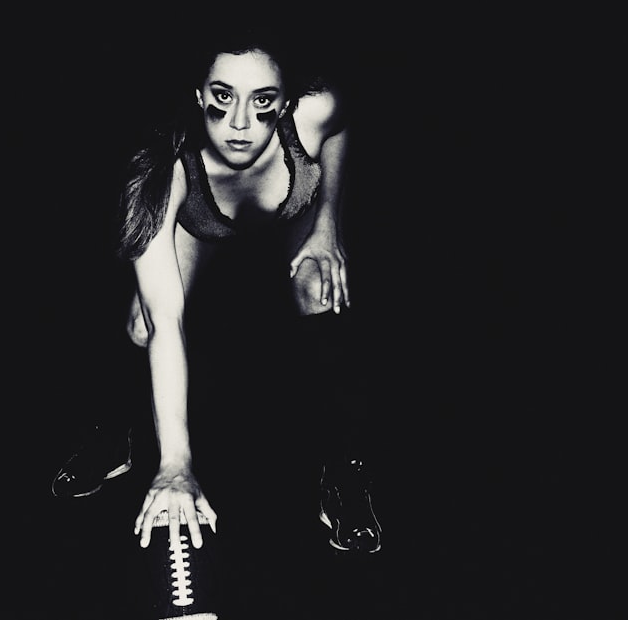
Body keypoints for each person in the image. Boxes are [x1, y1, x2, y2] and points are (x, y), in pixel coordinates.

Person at [52, 28, 383, 555]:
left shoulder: (315, 112)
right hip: (202, 220)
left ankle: (345, 472)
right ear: (200, 94)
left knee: (320, 289)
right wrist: (176, 464)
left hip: (293, 205)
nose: (239, 125)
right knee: (143, 323)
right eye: (223, 97)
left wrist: (327, 224)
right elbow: (167, 319)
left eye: (263, 102)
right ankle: (114, 432)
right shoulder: (166, 171)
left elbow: (341, 128)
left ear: (288, 103)